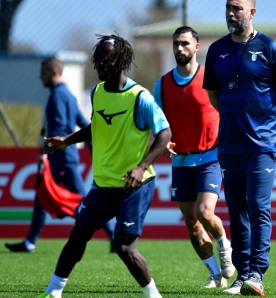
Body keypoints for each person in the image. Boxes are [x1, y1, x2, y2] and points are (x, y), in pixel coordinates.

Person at [37, 34, 171, 298]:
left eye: (105, 59)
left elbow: (164, 133)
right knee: (78, 235)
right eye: (97, 59)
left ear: (120, 61)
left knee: (123, 247)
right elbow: (96, 126)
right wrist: (66, 141)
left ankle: (153, 295)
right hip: (104, 183)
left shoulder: (139, 97)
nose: (99, 64)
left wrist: (142, 166)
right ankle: (53, 292)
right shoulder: (97, 93)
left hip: (135, 184)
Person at [203, 0, 276, 295]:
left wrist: (269, 125)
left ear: (252, 12)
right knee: (237, 211)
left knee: (259, 208)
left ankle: (257, 273)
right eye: (228, 7)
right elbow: (214, 96)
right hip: (230, 145)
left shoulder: (272, 49)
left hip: (262, 146)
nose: (231, 13)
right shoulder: (215, 50)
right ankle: (242, 276)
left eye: (238, 8)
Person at [152, 26, 235, 289]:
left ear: (196, 47)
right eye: (176, 44)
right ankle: (215, 275)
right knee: (191, 222)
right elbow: (158, 125)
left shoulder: (211, 78)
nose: (179, 48)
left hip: (210, 156)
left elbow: (229, 112)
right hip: (180, 162)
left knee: (204, 211)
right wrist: (162, 145)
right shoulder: (162, 85)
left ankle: (225, 249)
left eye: (185, 44)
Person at [4, 57, 115, 254]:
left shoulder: (57, 96)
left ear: (54, 72)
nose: (40, 77)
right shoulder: (68, 95)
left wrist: (44, 153)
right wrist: (92, 147)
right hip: (64, 156)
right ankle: (30, 241)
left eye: (43, 73)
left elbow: (58, 128)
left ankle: (114, 236)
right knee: (42, 194)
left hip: (61, 157)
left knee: (85, 201)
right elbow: (82, 122)